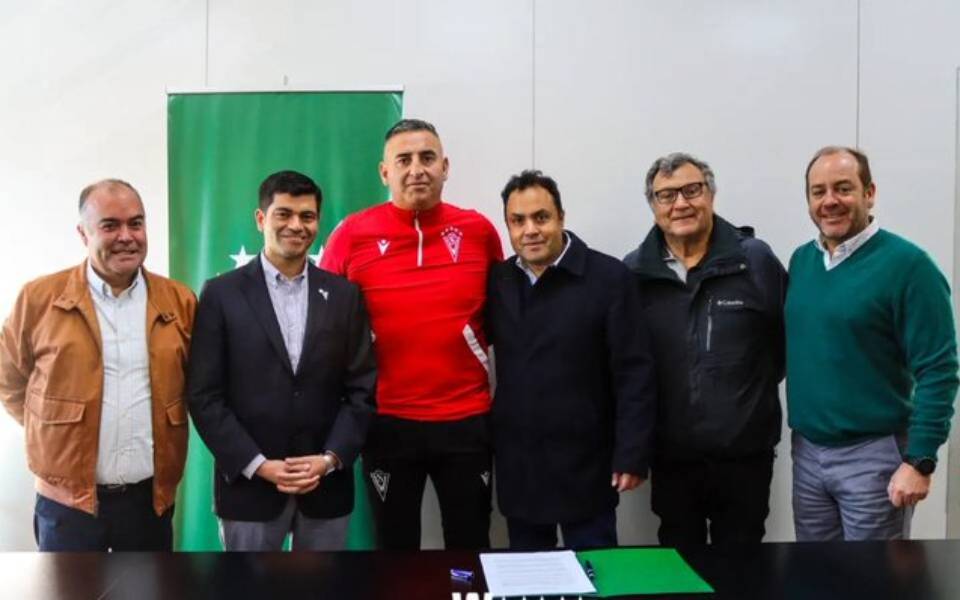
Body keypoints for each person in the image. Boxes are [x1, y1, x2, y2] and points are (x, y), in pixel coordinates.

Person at [320, 119, 503, 550]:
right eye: (403, 160)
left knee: (470, 545)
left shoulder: (478, 231)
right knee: (395, 548)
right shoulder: (351, 234)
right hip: (386, 421)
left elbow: (502, 317)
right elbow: (324, 324)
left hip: (466, 419)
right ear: (385, 172)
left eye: (427, 157)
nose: (417, 169)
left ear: (445, 166)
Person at [0, 179, 196, 551]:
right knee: (68, 585)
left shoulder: (180, 302)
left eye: (136, 223)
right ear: (83, 233)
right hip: (67, 505)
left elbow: (197, 385)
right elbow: (8, 380)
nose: (127, 236)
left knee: (147, 584)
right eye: (110, 225)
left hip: (148, 503)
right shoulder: (39, 299)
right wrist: (52, 430)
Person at [186, 170, 376, 551]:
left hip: (326, 485)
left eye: (307, 216)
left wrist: (329, 459)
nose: (296, 225)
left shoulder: (344, 296)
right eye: (283, 214)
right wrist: (258, 464)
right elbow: (204, 395)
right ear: (261, 219)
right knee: (248, 584)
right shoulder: (221, 294)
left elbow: (362, 389)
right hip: (249, 489)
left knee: (324, 585)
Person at [787, 146, 959, 541]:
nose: (830, 200)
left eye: (843, 188)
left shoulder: (909, 267)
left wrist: (920, 460)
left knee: (872, 573)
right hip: (808, 456)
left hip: (874, 457)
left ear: (869, 193)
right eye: (818, 191)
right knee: (814, 571)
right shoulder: (802, 261)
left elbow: (939, 370)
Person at [623, 153, 786, 546]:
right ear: (653, 205)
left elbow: (782, 346)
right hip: (672, 460)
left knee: (743, 565)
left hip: (745, 458)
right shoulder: (634, 273)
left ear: (711, 194)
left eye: (691, 190)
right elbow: (630, 365)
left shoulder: (754, 260)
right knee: (680, 564)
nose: (680, 203)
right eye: (666, 195)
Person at [486, 169, 654, 549]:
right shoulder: (499, 281)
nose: (530, 230)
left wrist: (632, 453)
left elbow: (634, 372)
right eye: (518, 221)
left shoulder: (609, 277)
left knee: (597, 573)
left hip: (588, 466)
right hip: (521, 467)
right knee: (530, 576)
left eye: (541, 217)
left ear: (561, 217)